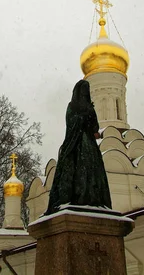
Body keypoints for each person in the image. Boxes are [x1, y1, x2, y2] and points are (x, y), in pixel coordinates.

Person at [45, 80, 112, 215]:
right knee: (84, 169)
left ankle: (86, 197)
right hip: (81, 143)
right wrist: (84, 120)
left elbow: (90, 127)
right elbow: (79, 125)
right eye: (84, 90)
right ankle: (84, 196)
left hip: (82, 143)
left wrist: (87, 123)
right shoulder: (79, 107)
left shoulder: (82, 107)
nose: (85, 93)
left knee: (85, 170)